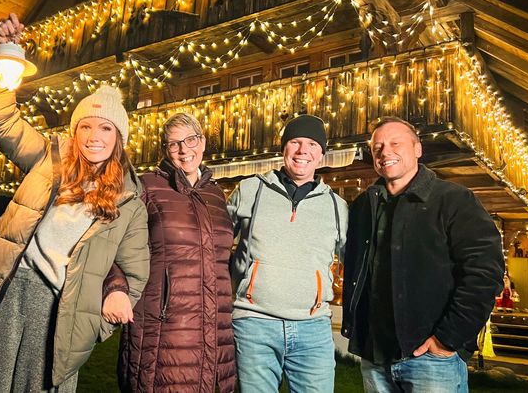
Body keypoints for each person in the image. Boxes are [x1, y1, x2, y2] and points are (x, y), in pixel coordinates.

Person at [0, 14, 150, 393]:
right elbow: (1, 121)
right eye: (85, 126)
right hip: (10, 289)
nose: (94, 136)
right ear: (74, 130)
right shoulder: (48, 157)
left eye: (105, 128)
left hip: (60, 308)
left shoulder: (129, 201)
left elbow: (134, 273)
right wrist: (7, 52)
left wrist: (96, 321)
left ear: (118, 138)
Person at [342, 116, 505, 393]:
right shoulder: (363, 206)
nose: (385, 152)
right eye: (377, 147)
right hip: (374, 355)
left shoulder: (454, 200)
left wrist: (448, 339)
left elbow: (484, 274)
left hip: (430, 358)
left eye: (396, 143)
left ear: (418, 149)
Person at [102, 112, 236, 392]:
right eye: (174, 144)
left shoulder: (215, 195)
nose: (184, 150)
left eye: (191, 140)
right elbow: (108, 241)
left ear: (202, 142)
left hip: (216, 331)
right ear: (165, 150)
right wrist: (115, 288)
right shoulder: (146, 187)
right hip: (163, 329)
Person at [227, 114, 348, 393]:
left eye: (312, 144)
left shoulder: (337, 206)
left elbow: (353, 263)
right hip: (254, 323)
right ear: (284, 148)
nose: (303, 150)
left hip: (313, 328)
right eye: (295, 142)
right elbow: (215, 244)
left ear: (321, 154)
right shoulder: (250, 190)